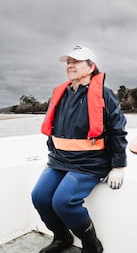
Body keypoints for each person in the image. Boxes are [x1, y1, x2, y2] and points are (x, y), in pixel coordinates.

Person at [31, 45, 128, 253]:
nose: (70, 65)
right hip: (60, 161)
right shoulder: (60, 94)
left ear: (91, 66)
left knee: (64, 201)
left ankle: (92, 245)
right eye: (68, 62)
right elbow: (52, 131)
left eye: (76, 61)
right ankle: (62, 237)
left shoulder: (105, 95)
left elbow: (117, 131)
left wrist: (118, 166)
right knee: (39, 196)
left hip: (90, 163)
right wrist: (53, 155)